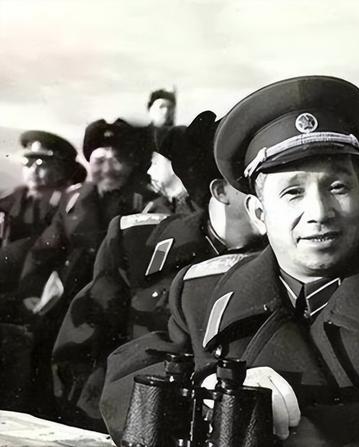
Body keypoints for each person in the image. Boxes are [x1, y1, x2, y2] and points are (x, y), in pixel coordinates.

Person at [101, 76, 359, 446]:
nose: (319, 213)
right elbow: (125, 379)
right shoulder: (201, 293)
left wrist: (313, 432)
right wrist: (209, 394)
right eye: (293, 192)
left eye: (338, 187)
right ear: (259, 213)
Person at [51, 111, 264, 430]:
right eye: (253, 183)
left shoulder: (292, 262)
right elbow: (80, 351)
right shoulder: (138, 244)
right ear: (220, 190)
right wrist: (102, 426)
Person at [13, 119, 162, 419]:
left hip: (115, 313)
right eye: (99, 160)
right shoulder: (73, 199)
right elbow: (43, 252)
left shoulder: (146, 203)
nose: (107, 168)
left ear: (132, 164)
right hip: (66, 307)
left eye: (116, 160)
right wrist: (31, 294)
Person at [0, 131, 85, 298]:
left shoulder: (72, 203)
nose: (33, 169)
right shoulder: (11, 198)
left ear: (61, 170)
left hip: (43, 287)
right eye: (28, 162)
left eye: (41, 163)